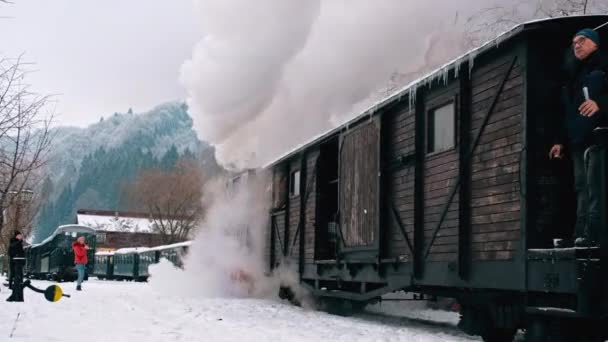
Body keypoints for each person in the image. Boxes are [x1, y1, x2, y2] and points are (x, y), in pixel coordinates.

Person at [549, 28, 608, 247]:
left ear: (595, 43)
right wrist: (559, 140)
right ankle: (580, 235)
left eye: (582, 41)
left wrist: (600, 104)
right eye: (574, 42)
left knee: (595, 187)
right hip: (577, 140)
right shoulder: (572, 73)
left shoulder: (603, 66)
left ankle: (594, 235)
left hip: (598, 139)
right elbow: (567, 111)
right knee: (581, 187)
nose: (577, 45)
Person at [7, 230, 25, 302]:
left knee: (19, 278)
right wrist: (19, 242)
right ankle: (13, 291)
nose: (21, 236)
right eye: (19, 235)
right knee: (14, 276)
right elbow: (11, 249)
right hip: (14, 262)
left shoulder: (20, 243)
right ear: (16, 236)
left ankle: (18, 295)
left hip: (19, 262)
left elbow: (21, 252)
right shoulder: (13, 241)